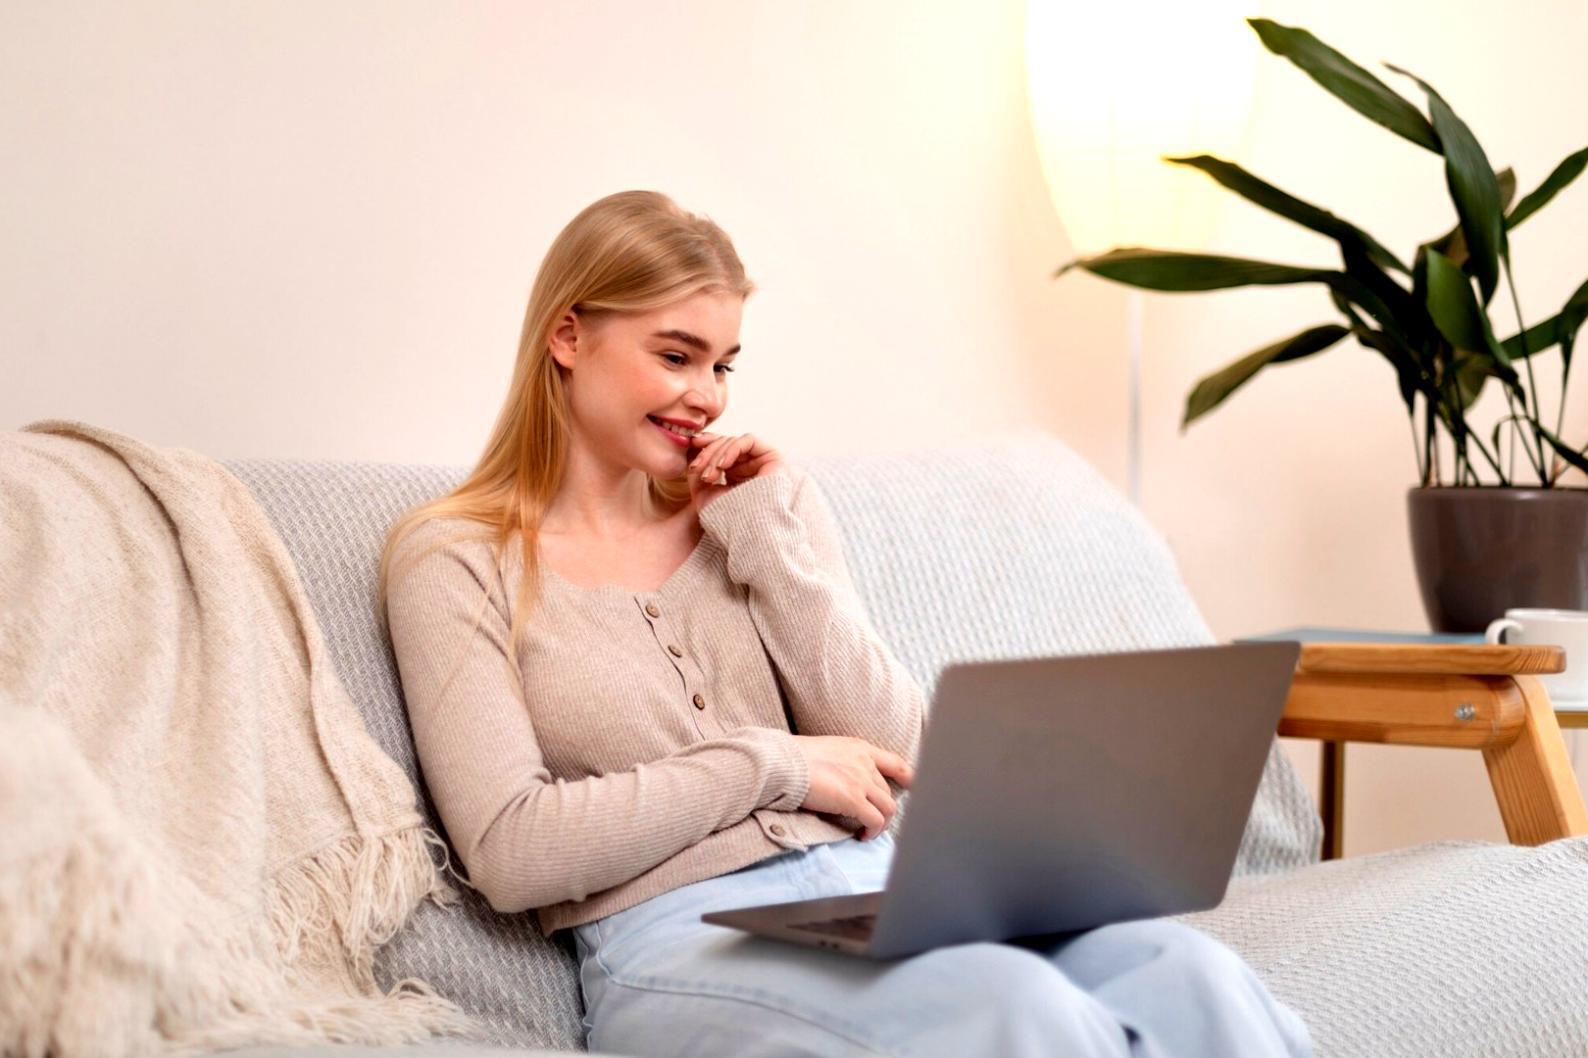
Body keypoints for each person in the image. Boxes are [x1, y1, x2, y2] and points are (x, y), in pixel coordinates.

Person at [378, 189, 1315, 1058]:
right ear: (568, 336)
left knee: (1194, 975)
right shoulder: (454, 559)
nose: (708, 394)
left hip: (880, 893)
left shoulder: (752, 515)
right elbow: (510, 847)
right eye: (675, 355)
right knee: (1006, 1004)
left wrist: (772, 542)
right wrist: (776, 763)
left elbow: (900, 751)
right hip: (677, 938)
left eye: (722, 364)